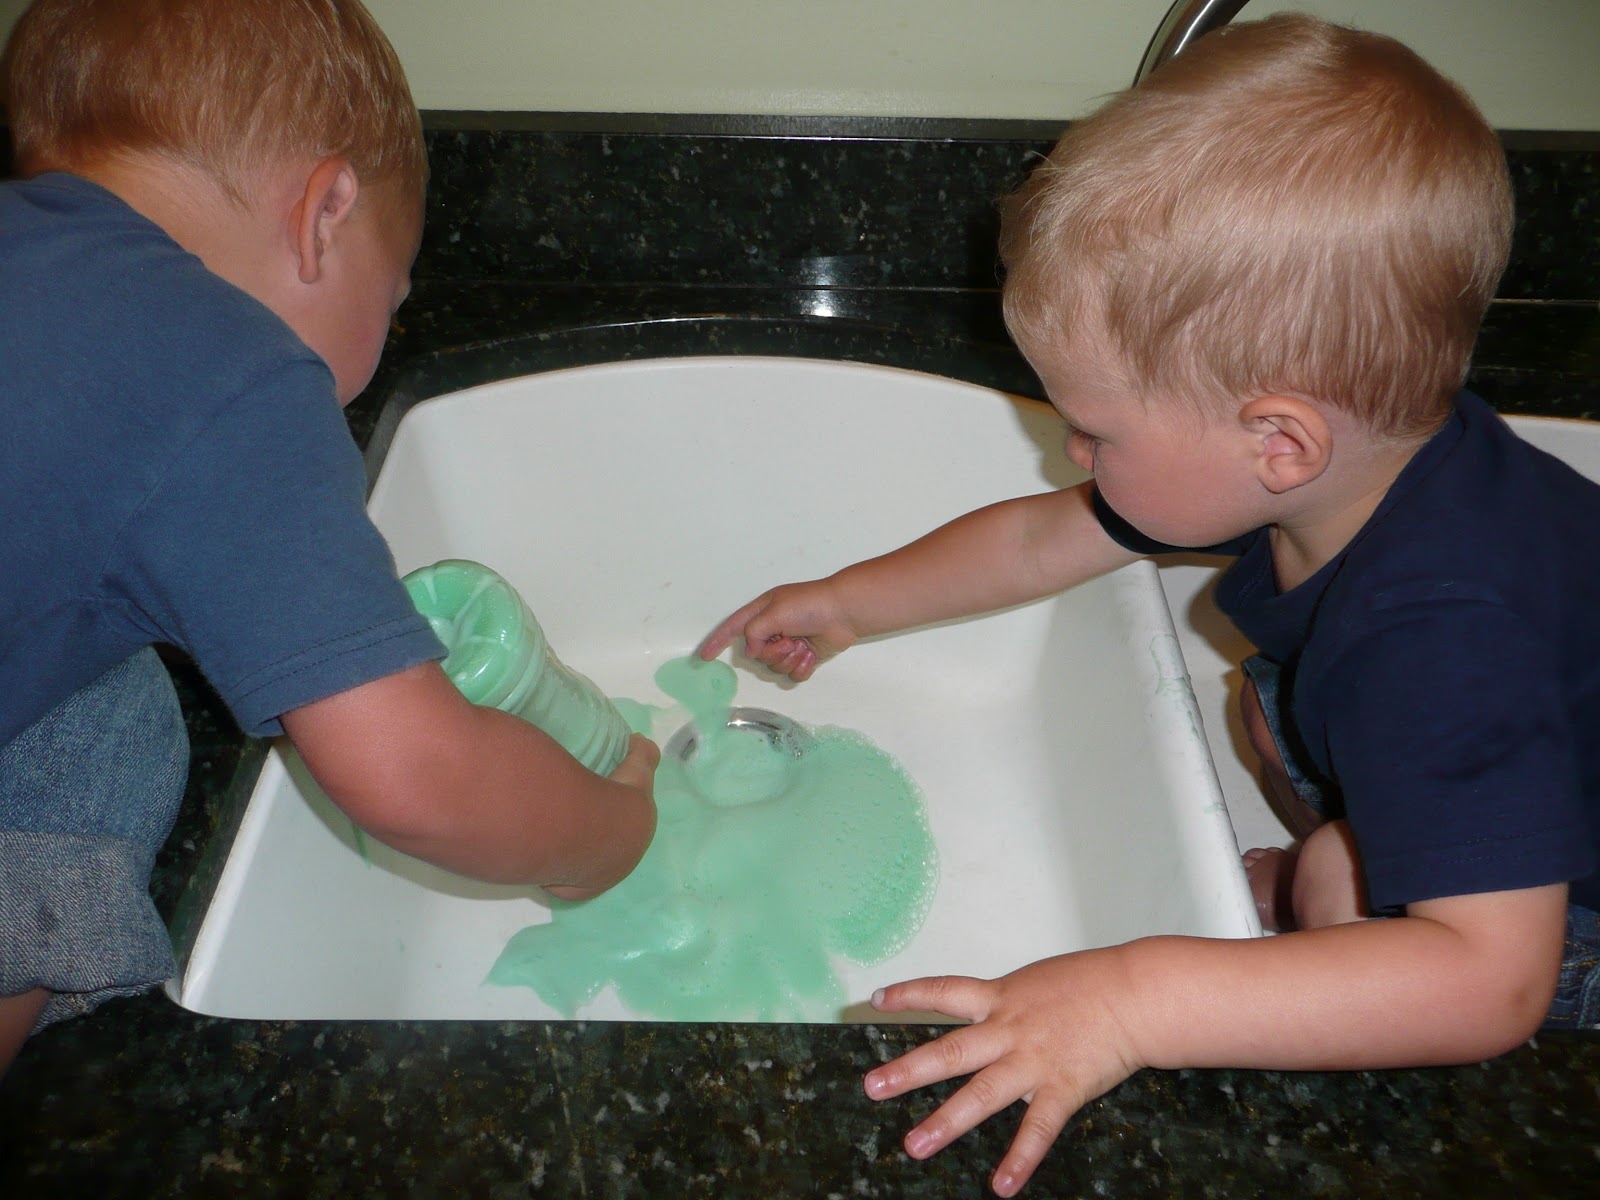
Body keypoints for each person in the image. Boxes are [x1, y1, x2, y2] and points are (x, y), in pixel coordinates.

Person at [700, 14, 1600, 1196]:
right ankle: (1328, 885)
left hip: (1561, 935)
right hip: (1507, 776)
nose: (1070, 448)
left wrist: (1131, 998)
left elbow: (1491, 984)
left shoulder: (1440, 638)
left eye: (1095, 429)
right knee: (1263, 713)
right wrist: (849, 604)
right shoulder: (1342, 460)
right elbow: (1040, 538)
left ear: (1276, 441)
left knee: (1336, 872)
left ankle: (1331, 936)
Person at [0, 0, 657, 1076]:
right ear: (326, 213)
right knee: (117, 747)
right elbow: (420, 779)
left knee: (105, 703)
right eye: (391, 301)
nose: (382, 340)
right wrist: (604, 838)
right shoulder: (232, 370)